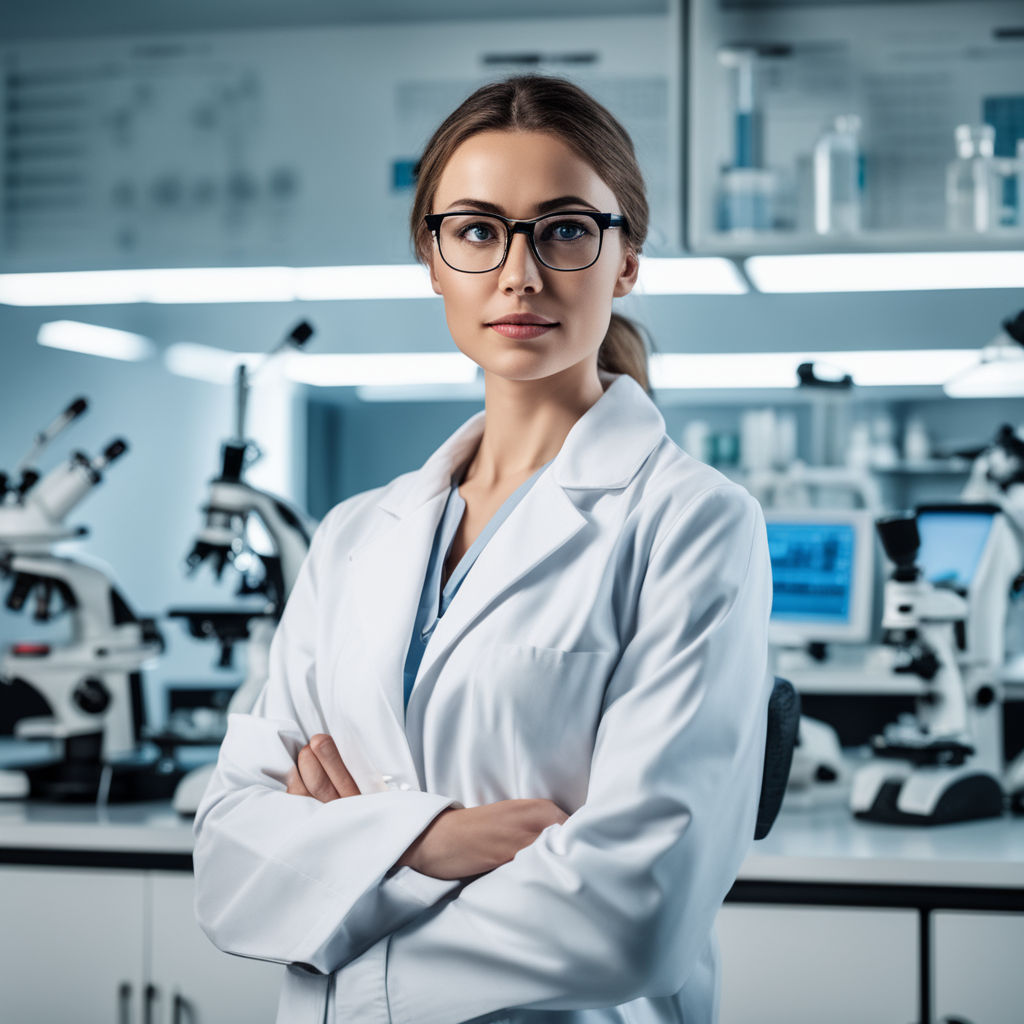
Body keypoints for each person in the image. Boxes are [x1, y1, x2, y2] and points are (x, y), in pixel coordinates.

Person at [193, 74, 773, 1024]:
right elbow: (228, 865)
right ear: (432, 259)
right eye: (475, 229)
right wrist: (431, 840)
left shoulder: (692, 522)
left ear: (624, 258)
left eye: (564, 228)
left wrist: (343, 872)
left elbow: (634, 916)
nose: (519, 273)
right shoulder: (352, 538)